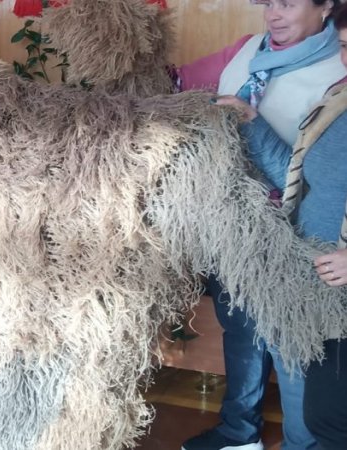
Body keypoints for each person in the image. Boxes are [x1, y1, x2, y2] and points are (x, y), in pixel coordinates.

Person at [177, 1, 347, 449]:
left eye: (287, 2)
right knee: (239, 325)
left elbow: (309, 175)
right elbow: (178, 82)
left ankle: (301, 441)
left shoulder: (337, 71)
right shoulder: (247, 49)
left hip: (294, 233)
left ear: (326, 7)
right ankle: (240, 431)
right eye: (267, 2)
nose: (274, 14)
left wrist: (251, 124)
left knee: (296, 348)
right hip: (231, 222)